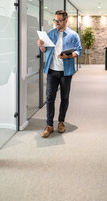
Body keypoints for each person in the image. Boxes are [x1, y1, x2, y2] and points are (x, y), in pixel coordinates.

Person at [37, 10, 82, 138]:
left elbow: (78, 51)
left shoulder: (73, 35)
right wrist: (40, 46)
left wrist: (68, 56)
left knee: (64, 97)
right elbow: (45, 50)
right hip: (52, 71)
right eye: (55, 20)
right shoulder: (50, 33)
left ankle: (61, 122)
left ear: (66, 20)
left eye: (59, 20)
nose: (56, 23)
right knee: (50, 98)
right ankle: (49, 125)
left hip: (66, 72)